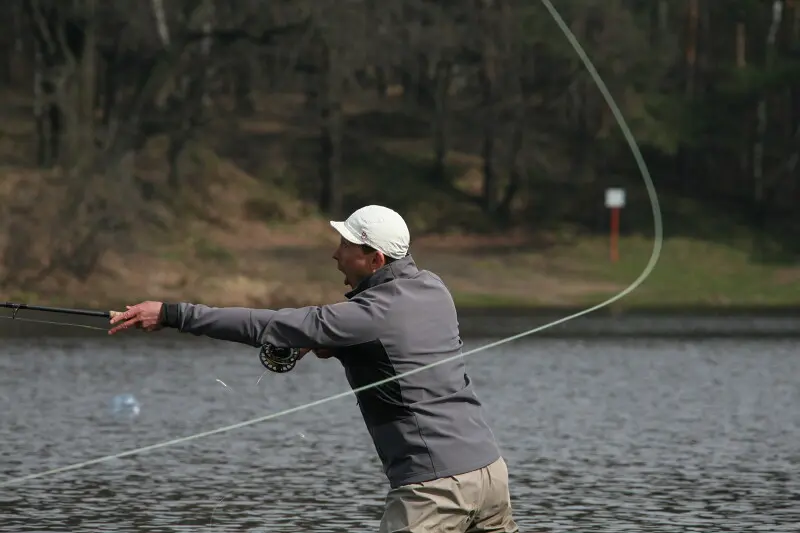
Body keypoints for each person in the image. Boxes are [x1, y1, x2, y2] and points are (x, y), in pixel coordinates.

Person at [109, 204, 519, 532]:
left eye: (345, 246)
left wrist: (172, 313)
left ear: (374, 259)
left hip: (436, 488)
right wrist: (337, 347)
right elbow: (400, 349)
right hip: (490, 476)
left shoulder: (365, 315)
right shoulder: (433, 288)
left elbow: (264, 325)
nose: (335, 254)